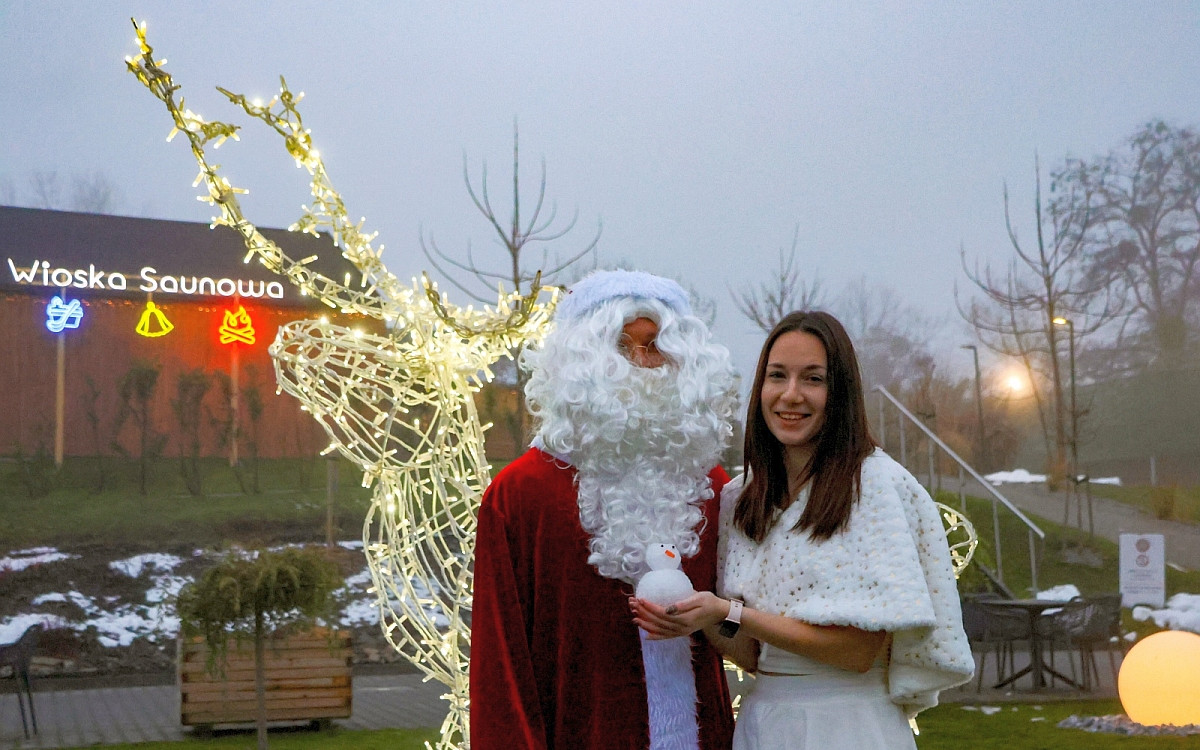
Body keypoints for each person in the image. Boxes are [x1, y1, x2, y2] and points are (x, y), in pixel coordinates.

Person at [633, 311, 974, 750]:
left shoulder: (874, 486)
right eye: (778, 376)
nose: (790, 395)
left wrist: (727, 613)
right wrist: (691, 612)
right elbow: (751, 655)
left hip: (851, 724)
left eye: (813, 379)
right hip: (764, 722)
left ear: (841, 393)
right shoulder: (742, 497)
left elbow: (856, 652)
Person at [470, 269, 740, 750]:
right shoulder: (520, 495)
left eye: (655, 346)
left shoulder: (716, 490)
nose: (638, 363)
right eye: (620, 346)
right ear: (580, 360)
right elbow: (500, 670)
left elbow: (750, 628)